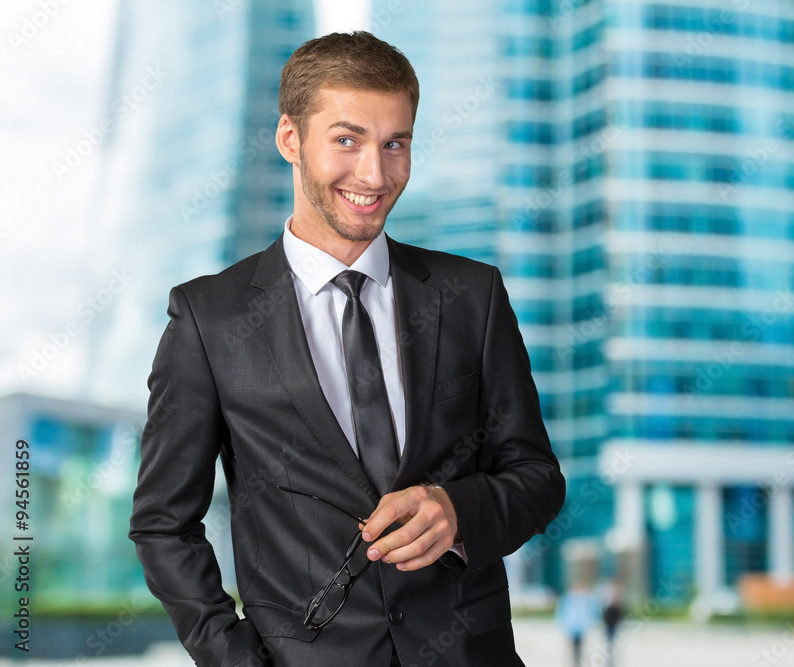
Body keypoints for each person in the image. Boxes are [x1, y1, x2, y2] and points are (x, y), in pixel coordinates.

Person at [129, 31, 565, 667]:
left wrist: (458, 510)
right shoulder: (210, 319)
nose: (374, 175)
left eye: (395, 144)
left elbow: (537, 478)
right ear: (290, 139)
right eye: (347, 140)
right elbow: (163, 525)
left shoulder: (473, 295)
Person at [556, 583, 598, 667]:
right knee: (571, 648)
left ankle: (577, 662)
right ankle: (574, 662)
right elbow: (563, 614)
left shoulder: (586, 600)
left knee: (580, 648)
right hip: (571, 628)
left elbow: (592, 614)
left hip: (581, 628)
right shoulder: (567, 600)